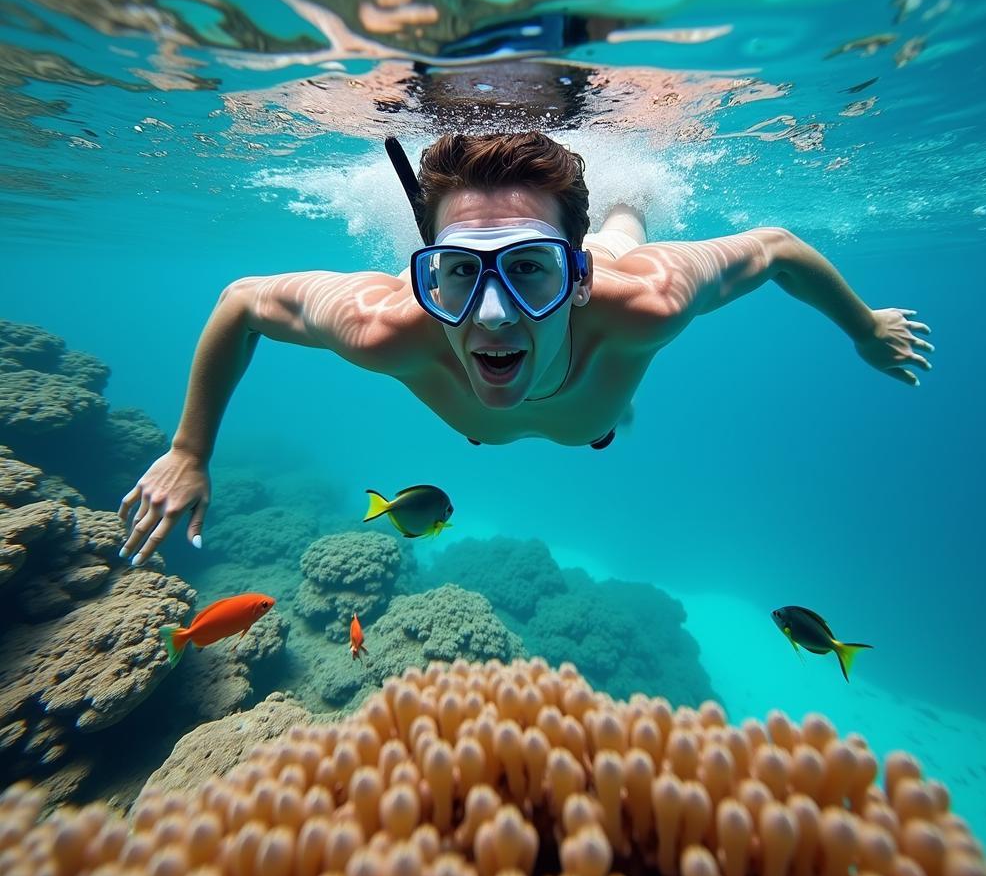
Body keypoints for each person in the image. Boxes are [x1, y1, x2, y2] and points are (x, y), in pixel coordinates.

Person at [119, 131, 933, 565]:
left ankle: (618, 209)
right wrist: (190, 448)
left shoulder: (643, 301)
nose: (497, 314)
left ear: (572, 280)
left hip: (597, 389)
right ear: (423, 277)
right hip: (545, 395)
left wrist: (864, 327)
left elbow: (777, 247)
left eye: (532, 270)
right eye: (457, 275)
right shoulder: (383, 323)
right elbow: (243, 302)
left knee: (623, 233)